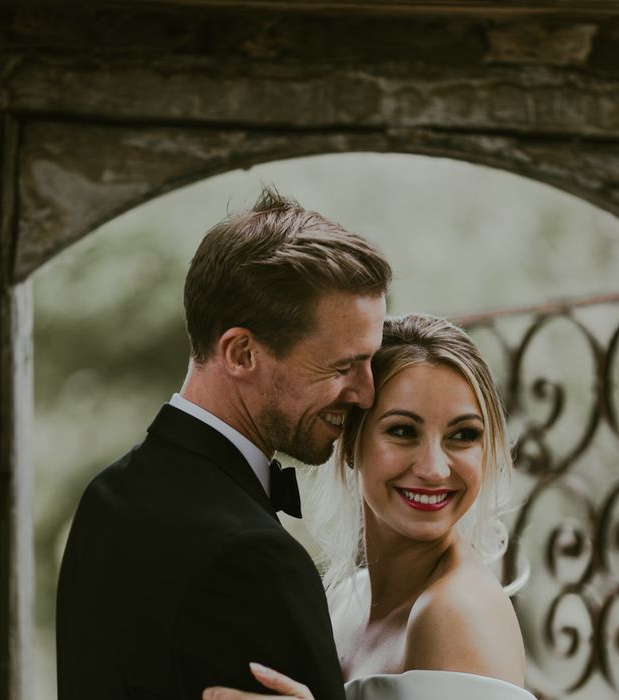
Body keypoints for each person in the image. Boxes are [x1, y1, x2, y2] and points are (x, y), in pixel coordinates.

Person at [56, 187, 391, 700]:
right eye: (343, 366)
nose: (366, 393)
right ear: (240, 352)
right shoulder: (252, 557)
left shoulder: (108, 495)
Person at [204, 314, 533, 700]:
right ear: (349, 445)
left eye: (463, 435)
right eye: (402, 431)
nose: (433, 468)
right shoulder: (346, 600)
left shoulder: (454, 611)